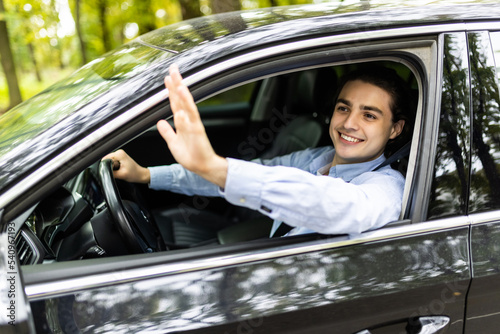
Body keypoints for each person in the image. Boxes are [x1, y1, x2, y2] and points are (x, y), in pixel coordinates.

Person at [104, 63, 415, 238]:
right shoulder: (315, 157)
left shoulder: (387, 188)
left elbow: (332, 203)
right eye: (343, 108)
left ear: (395, 128)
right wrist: (146, 175)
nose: (350, 123)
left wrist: (215, 167)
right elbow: (252, 171)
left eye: (369, 115)